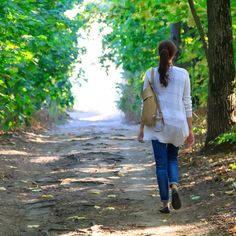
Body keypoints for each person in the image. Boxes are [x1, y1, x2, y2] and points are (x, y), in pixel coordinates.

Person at [138, 40, 194, 214]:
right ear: (173, 54)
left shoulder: (150, 74)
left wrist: (141, 129)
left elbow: (146, 104)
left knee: (161, 165)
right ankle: (175, 184)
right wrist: (190, 130)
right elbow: (187, 103)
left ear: (159, 53)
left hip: (158, 125)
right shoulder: (183, 74)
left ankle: (165, 204)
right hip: (178, 125)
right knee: (172, 159)